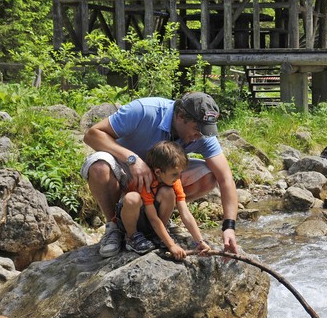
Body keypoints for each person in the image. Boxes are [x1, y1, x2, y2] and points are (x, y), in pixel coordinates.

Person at [82, 92, 239, 258]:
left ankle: (160, 218)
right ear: (180, 116)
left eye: (205, 131)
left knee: (210, 176)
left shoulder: (202, 134)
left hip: (164, 176)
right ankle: (114, 226)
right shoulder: (144, 111)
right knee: (99, 167)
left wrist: (229, 227)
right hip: (125, 169)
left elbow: (225, 178)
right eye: (197, 129)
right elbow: (91, 135)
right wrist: (132, 159)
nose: (200, 136)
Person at [116, 141, 212, 260]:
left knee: (168, 193)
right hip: (133, 218)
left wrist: (199, 241)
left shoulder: (175, 181)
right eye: (174, 174)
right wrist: (171, 245)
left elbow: (185, 213)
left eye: (180, 173)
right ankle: (131, 237)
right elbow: (153, 218)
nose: (179, 177)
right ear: (158, 172)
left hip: (151, 220)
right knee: (132, 198)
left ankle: (159, 235)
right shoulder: (146, 181)